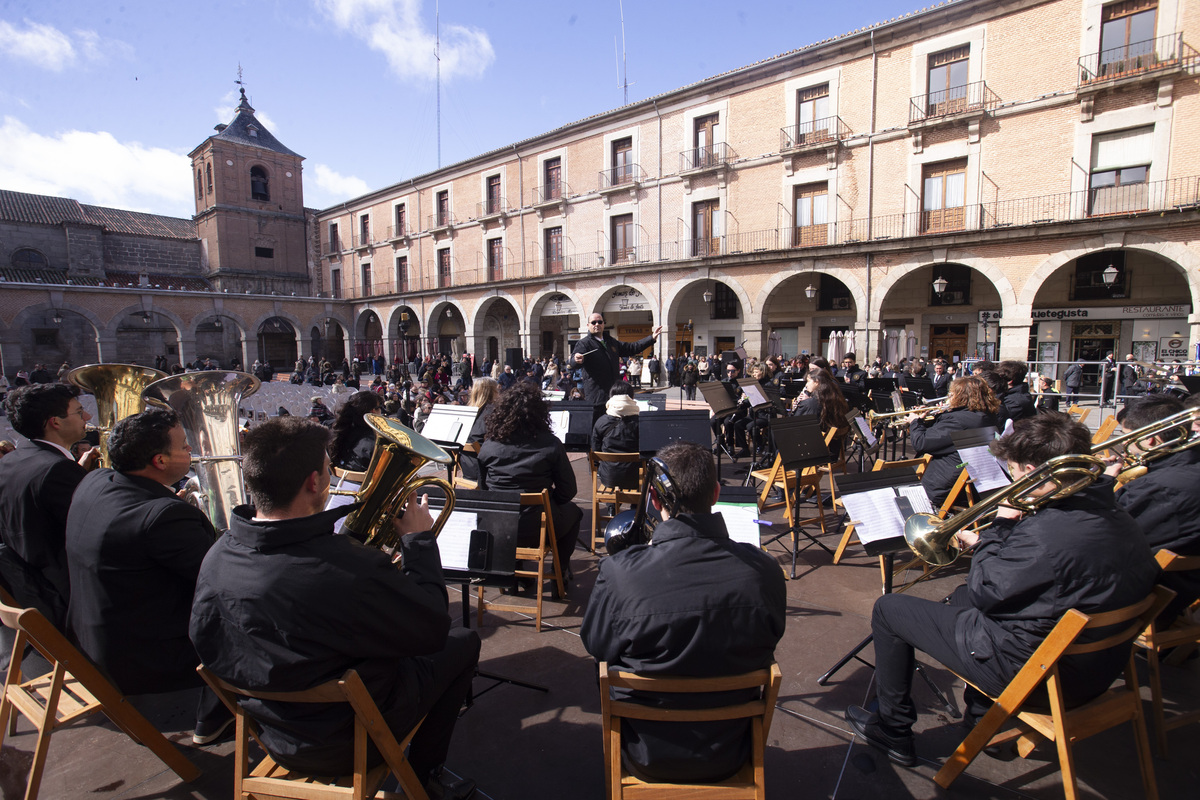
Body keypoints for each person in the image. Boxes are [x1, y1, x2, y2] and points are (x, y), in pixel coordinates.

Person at [189, 417, 480, 799]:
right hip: (352, 738)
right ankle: (428, 774)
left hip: (272, 732)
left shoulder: (216, 555)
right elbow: (431, 629)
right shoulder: (346, 570)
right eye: (329, 469)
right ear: (314, 482)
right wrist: (420, 543)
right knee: (463, 641)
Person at [845, 412, 1157, 767]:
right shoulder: (1120, 517)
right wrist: (995, 544)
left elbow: (986, 591)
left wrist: (1000, 526)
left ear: (1031, 470)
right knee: (958, 596)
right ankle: (979, 717)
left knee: (890, 609)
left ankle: (893, 729)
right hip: (1095, 666)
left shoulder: (1045, 533)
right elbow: (1044, 573)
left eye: (1012, 470)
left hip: (1038, 674)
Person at [581, 441, 786, 783]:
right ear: (717, 492)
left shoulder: (619, 573)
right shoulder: (764, 571)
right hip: (731, 750)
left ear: (655, 500)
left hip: (644, 751)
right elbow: (772, 635)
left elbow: (596, 645)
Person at [64, 408, 230, 743]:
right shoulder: (163, 517)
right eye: (184, 447)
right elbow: (224, 578)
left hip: (88, 638)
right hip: (147, 658)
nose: (191, 452)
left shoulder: (96, 479)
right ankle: (216, 715)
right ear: (159, 461)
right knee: (259, 613)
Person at [0, 384, 97, 627]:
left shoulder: (12, 460)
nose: (87, 417)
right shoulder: (58, 470)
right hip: (66, 602)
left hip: (26, 592)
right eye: (78, 412)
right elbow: (100, 534)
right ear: (55, 422)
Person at [1110, 395, 1200, 626]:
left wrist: (1100, 488)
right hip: (1186, 583)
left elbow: (1106, 538)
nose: (1124, 444)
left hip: (1149, 592)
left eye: (1126, 436)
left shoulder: (1158, 486)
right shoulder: (1187, 467)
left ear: (1151, 439)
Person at [477, 381, 582, 578]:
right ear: (539, 413)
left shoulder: (488, 446)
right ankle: (560, 570)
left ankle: (514, 572)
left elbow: (483, 490)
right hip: (539, 526)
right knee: (575, 513)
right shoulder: (550, 444)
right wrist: (548, 501)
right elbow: (568, 491)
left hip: (498, 527)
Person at [908, 376, 1001, 508]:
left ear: (961, 397)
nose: (948, 398)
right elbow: (946, 440)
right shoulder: (987, 416)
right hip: (969, 479)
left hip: (940, 481)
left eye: (951, 394)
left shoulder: (956, 420)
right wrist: (940, 416)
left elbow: (921, 443)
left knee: (896, 478)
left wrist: (914, 422)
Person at [572, 313, 661, 424]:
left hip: (614, 395)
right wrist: (576, 359)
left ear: (603, 324)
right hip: (597, 397)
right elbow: (573, 361)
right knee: (598, 427)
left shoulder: (611, 341)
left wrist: (651, 338)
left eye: (600, 322)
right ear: (588, 325)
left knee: (615, 427)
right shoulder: (584, 343)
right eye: (593, 322)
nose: (597, 324)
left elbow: (631, 347)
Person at [791, 367, 850, 459]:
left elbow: (794, 424)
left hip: (813, 454)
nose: (806, 385)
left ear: (817, 382)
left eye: (808, 381)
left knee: (778, 435)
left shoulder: (811, 404)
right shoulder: (836, 399)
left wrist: (799, 407)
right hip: (833, 450)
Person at [591, 383, 641, 490]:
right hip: (635, 478)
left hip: (609, 477)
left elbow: (595, 449)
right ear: (631, 398)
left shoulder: (601, 421)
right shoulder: (640, 422)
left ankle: (611, 506)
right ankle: (636, 504)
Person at [327, 390, 384, 472]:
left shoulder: (340, 433)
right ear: (373, 411)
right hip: (363, 483)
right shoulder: (374, 443)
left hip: (340, 482)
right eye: (379, 408)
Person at [459, 378, 500, 483]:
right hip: (486, 470)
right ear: (492, 391)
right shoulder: (494, 412)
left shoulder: (466, 412)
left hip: (466, 465)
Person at [994, 360, 1036, 427]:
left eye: (998, 379)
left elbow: (1000, 422)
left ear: (1009, 381)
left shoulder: (1016, 401)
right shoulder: (1013, 394)